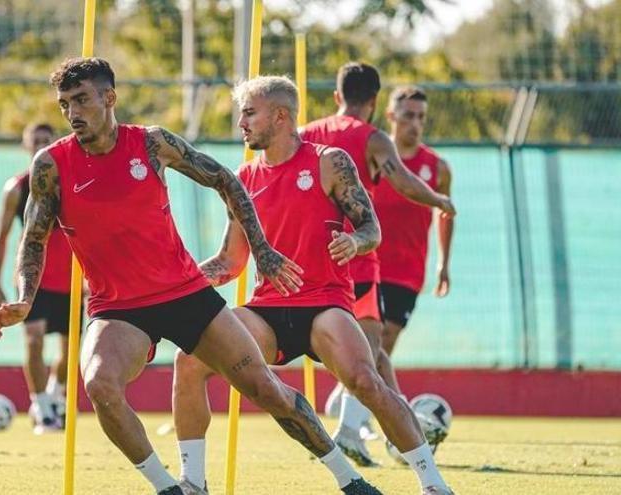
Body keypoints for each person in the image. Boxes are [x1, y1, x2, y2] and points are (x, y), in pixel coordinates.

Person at [0, 57, 368, 495]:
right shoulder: (50, 165)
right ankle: (171, 489)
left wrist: (261, 250)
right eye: (64, 104)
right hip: (119, 309)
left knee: (266, 390)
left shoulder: (152, 143)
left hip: (186, 295)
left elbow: (227, 180)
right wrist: (23, 298)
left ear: (109, 98)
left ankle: (351, 480)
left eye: (81, 100)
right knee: (99, 384)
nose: (72, 113)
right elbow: (33, 240)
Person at [173, 75, 453, 495]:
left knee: (365, 379)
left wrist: (355, 241)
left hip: (326, 304)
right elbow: (231, 262)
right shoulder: (243, 180)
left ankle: (433, 484)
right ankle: (192, 483)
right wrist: (181, 280)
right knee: (189, 361)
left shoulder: (329, 161)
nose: (241, 123)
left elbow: (370, 227)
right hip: (265, 311)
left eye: (249, 112)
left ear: (280, 116)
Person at [300, 63, 455, 466]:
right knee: (369, 345)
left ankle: (387, 422)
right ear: (374, 103)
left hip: (317, 257)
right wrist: (439, 200)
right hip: (359, 256)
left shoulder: (307, 133)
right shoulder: (372, 138)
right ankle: (350, 428)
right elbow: (401, 180)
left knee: (373, 349)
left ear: (337, 97)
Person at [0, 123, 69, 434]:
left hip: (71, 280)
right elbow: (0, 237)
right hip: (34, 280)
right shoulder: (17, 188)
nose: (40, 146)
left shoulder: (68, 184)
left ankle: (56, 396)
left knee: (69, 349)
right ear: (26, 146)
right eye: (34, 141)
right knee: (33, 339)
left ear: (55, 144)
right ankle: (42, 406)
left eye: (46, 141)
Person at [375, 86, 454, 371]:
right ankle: (350, 402)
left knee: (387, 337)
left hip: (408, 270)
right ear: (391, 116)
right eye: (408, 115)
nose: (416, 124)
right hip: (368, 263)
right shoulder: (372, 159)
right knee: (365, 339)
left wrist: (443, 263)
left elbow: (445, 214)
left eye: (421, 117)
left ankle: (350, 404)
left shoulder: (437, 168)